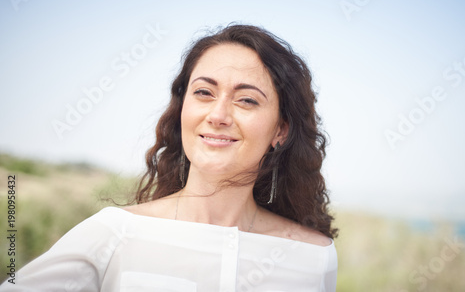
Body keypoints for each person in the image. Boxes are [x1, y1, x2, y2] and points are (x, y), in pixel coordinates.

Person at [1, 24, 338, 291]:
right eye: (204, 93)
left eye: (247, 100)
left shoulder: (315, 257)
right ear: (183, 109)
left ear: (280, 130)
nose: (218, 114)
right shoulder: (116, 234)